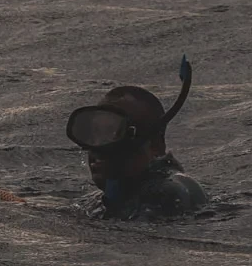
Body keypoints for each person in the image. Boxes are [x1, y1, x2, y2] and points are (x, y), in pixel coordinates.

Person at [65, 57, 207, 221]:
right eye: (95, 133)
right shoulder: (102, 200)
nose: (97, 148)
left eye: (115, 133)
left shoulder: (169, 192)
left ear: (155, 146)